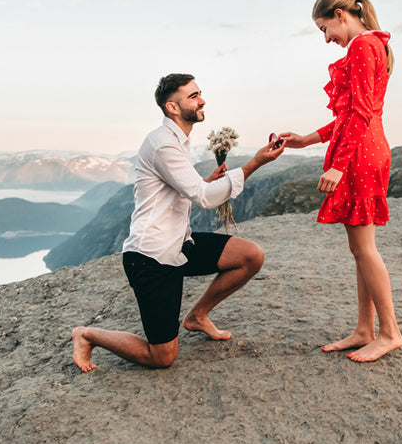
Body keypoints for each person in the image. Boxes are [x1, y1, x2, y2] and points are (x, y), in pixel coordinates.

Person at [72, 73, 285, 371]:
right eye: (194, 95)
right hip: (151, 257)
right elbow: (205, 198)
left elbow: (183, 188)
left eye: (200, 93)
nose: (203, 100)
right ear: (172, 107)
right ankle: (87, 334)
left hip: (179, 244)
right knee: (162, 357)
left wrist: (206, 181)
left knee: (251, 256)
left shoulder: (176, 140)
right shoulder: (163, 144)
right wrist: (255, 164)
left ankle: (197, 316)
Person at [279, 0, 402, 363]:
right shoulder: (370, 44)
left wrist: (339, 164)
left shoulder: (362, 46)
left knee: (365, 249)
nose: (326, 38)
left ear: (339, 14)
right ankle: (366, 329)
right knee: (359, 249)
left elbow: (360, 112)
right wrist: (308, 139)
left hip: (361, 154)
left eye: (324, 28)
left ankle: (389, 332)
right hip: (365, 148)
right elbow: (350, 114)